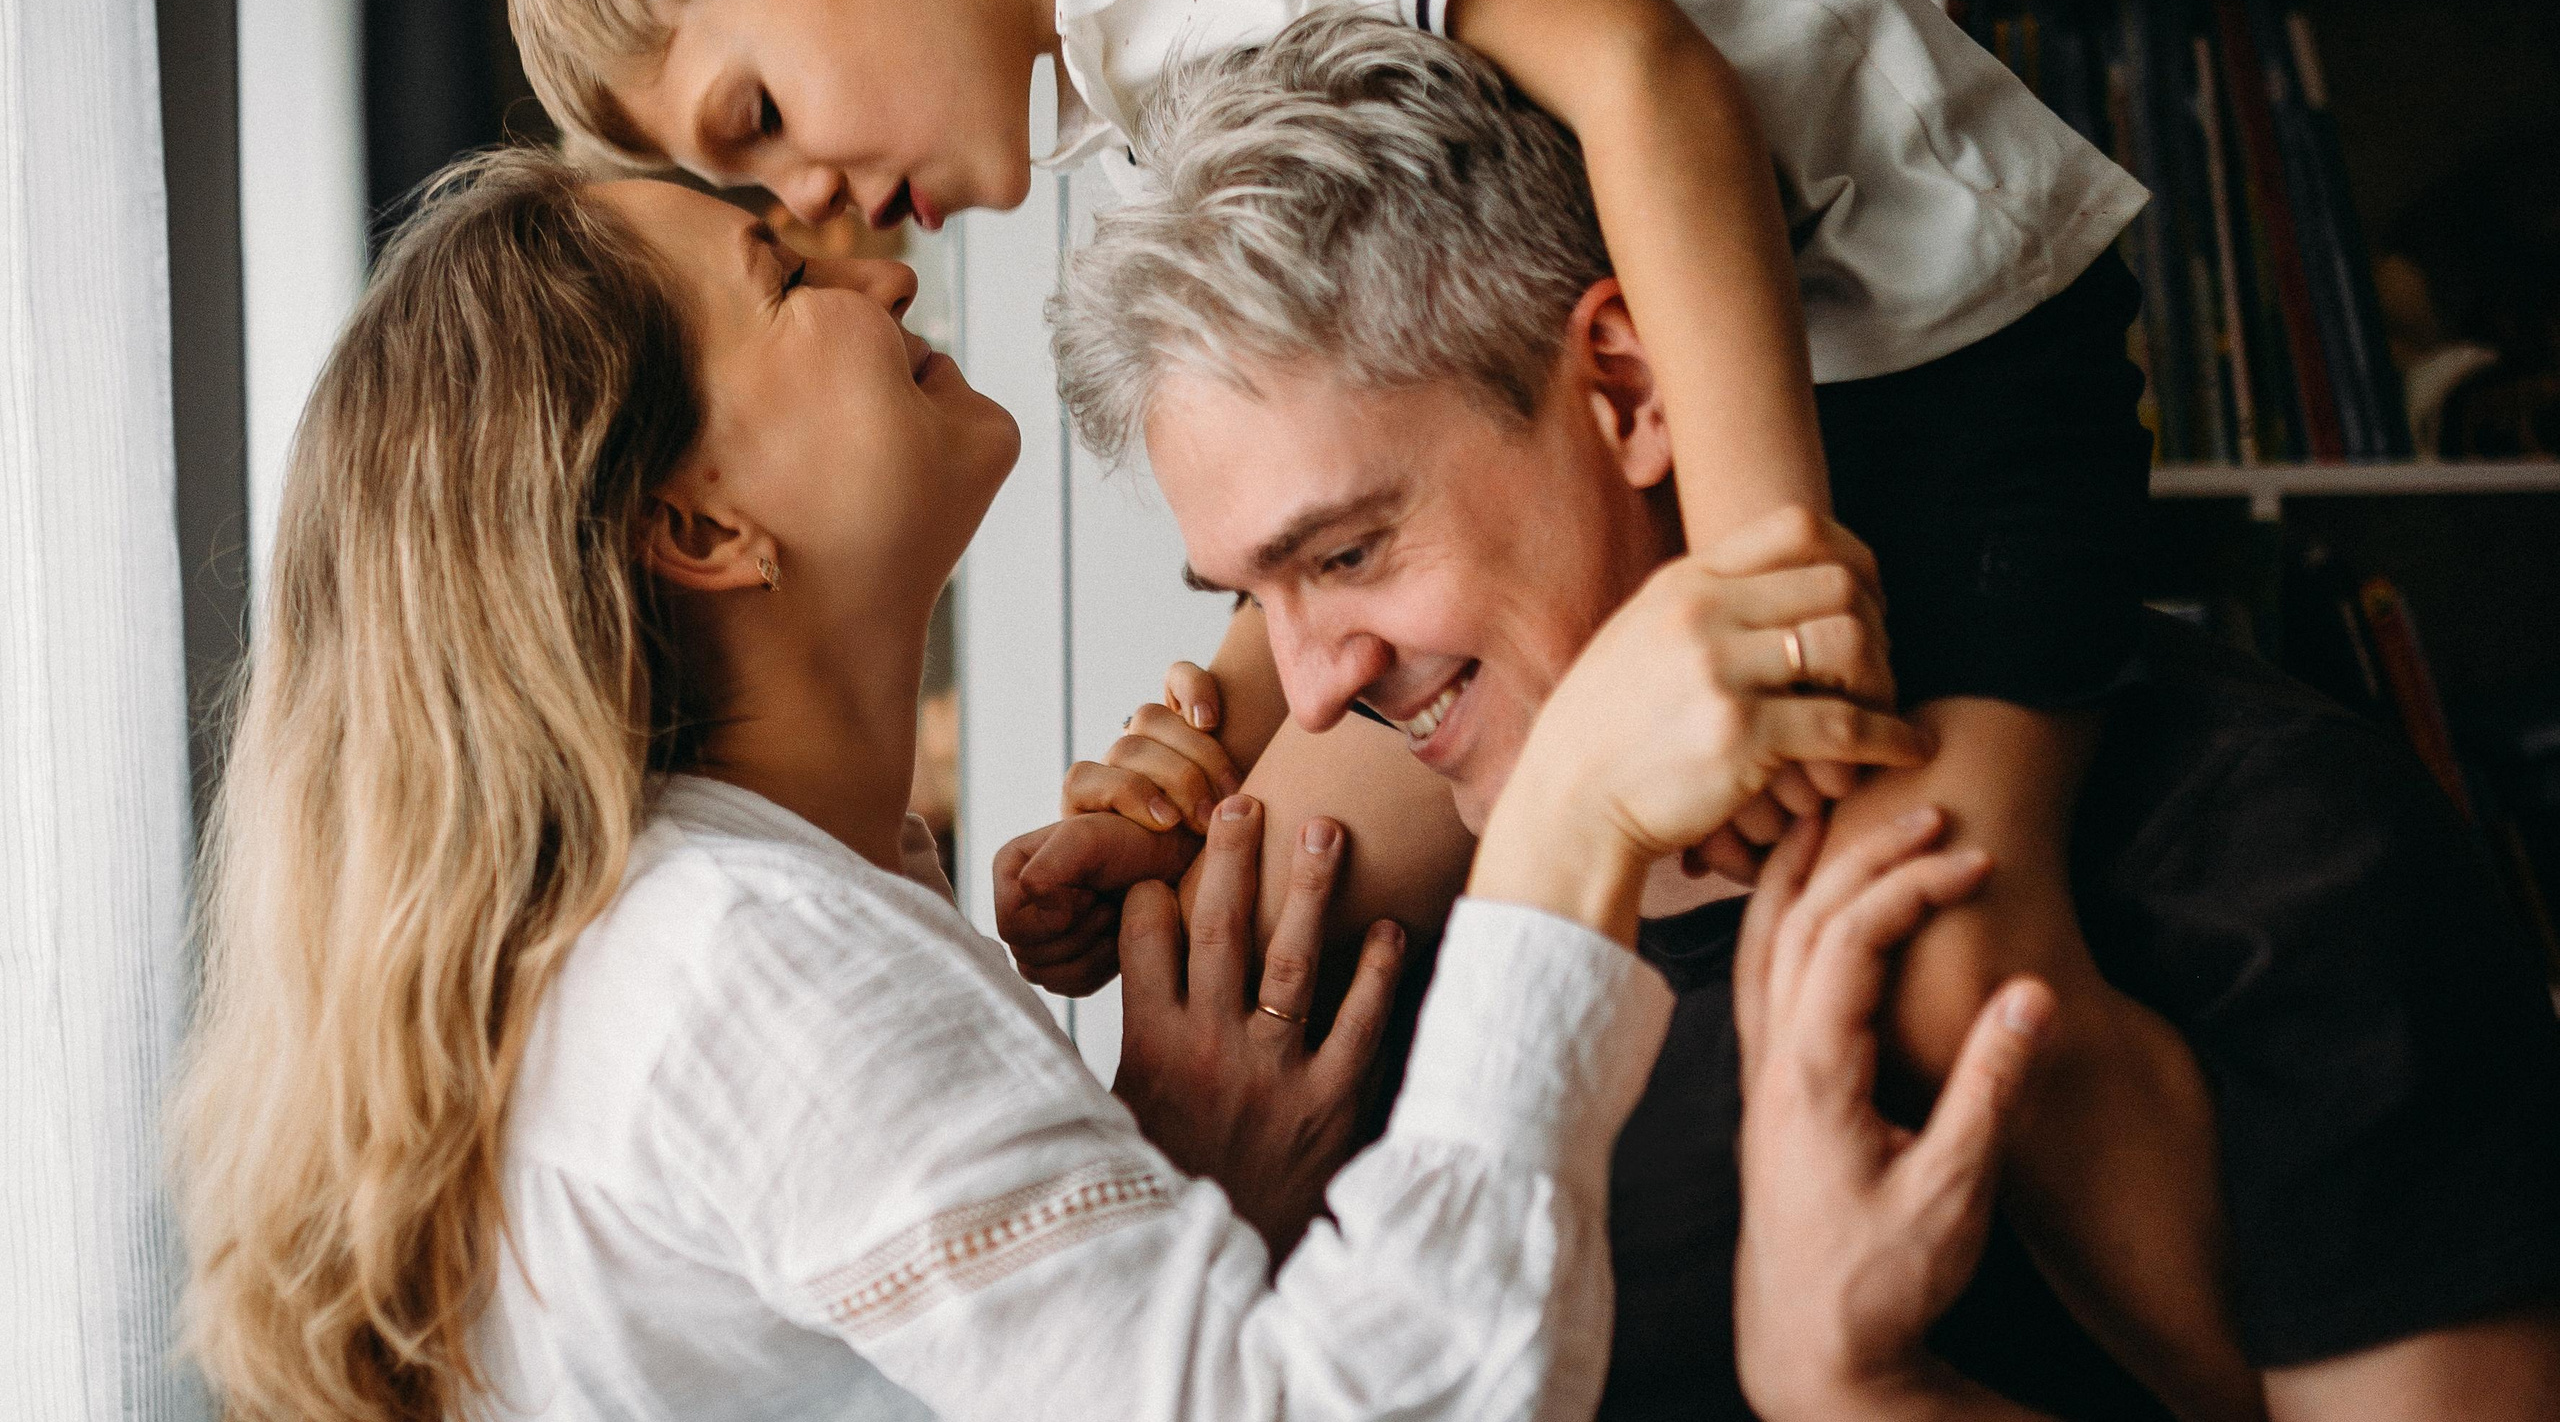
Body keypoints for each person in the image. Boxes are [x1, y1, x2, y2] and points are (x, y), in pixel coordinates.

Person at [496, 0, 2243, 1407]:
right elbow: (1347, 481)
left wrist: (1762, 581)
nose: (818, 204)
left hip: (1926, 351)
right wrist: (1195, 766)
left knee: (1946, 963)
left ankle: (2258, 1387)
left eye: (756, 121)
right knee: (1281, 886)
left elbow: (1645, 79)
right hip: (1709, 389)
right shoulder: (1129, 49)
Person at [168, 148, 1993, 1422]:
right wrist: (1572, 828)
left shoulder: (728, 916)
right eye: (784, 277)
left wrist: (1162, 1196)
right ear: (700, 522)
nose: (878, 264)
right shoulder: (735, 960)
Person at [1020, 15, 2560, 1418]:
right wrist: (1217, 1246)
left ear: (1625, 386)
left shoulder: (2270, 862)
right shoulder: (1344, 985)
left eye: (1348, 554)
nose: (1307, 685)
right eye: (1245, 591)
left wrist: (1863, 1385)